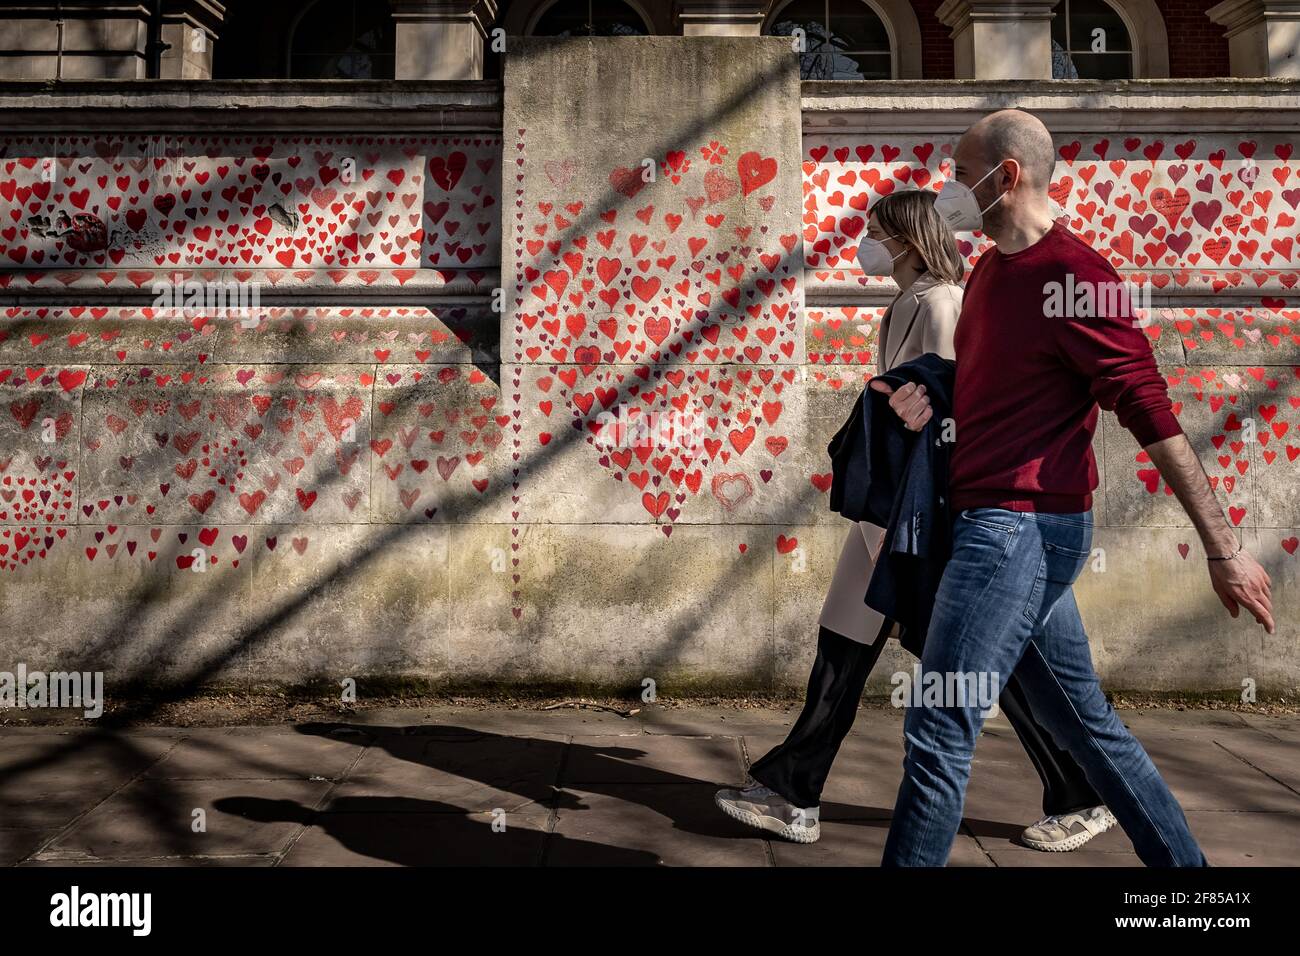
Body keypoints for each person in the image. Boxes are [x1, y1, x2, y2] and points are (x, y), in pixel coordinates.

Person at [872, 109, 1275, 867]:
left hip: (1017, 529)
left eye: (961, 174)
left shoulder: (1080, 278)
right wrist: (929, 390)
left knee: (939, 723)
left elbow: (1150, 409)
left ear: (1006, 175)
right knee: (1085, 726)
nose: (952, 190)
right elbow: (997, 391)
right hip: (998, 527)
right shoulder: (988, 273)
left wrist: (1224, 548)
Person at [714, 189, 1115, 851]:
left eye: (874, 231)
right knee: (841, 646)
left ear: (904, 238)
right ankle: (794, 791)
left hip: (931, 517)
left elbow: (953, 419)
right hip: (892, 511)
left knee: (991, 664)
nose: (864, 242)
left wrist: (920, 529)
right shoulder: (904, 303)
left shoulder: (942, 303)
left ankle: (1082, 791)